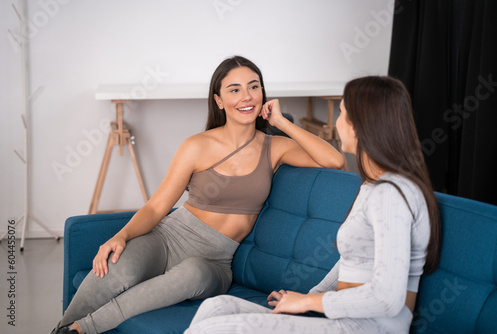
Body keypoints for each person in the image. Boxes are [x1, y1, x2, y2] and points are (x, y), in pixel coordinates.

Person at [50, 56, 344, 334]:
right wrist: (121, 236)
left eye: (254, 87)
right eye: (235, 89)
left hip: (214, 262)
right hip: (167, 239)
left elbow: (334, 160)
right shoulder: (196, 146)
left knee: (190, 273)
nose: (246, 96)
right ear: (219, 100)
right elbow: (156, 208)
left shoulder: (274, 147)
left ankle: (84, 329)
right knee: (119, 266)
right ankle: (63, 327)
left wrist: (281, 122)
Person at [185, 76, 442, 334]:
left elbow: (387, 299)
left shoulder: (392, 194)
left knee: (213, 329)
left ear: (360, 125)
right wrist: (306, 297)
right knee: (216, 307)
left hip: (366, 329)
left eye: (342, 113)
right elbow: (352, 261)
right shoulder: (373, 187)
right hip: (338, 320)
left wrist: (308, 302)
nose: (336, 122)